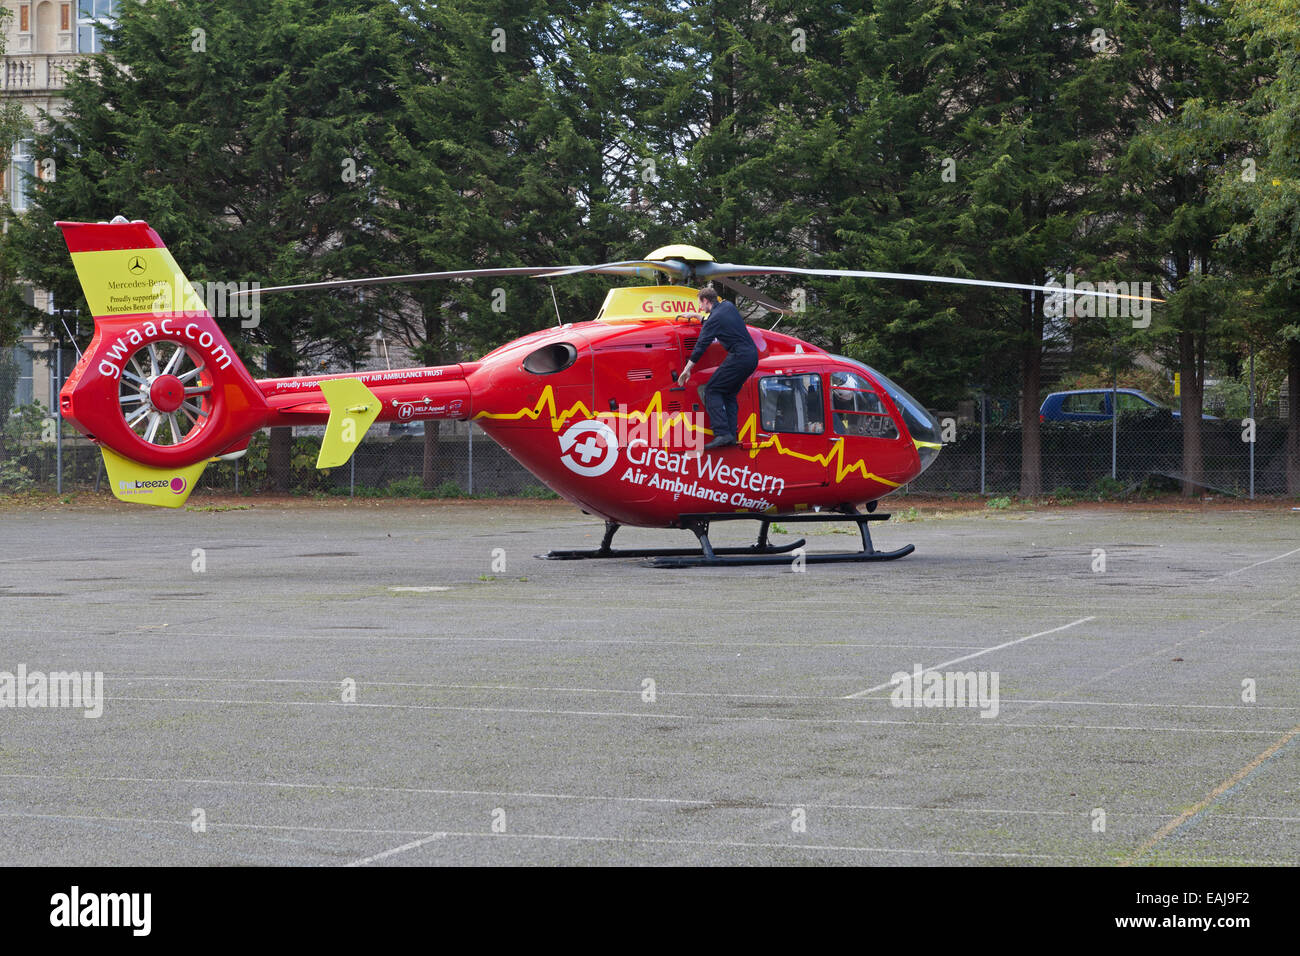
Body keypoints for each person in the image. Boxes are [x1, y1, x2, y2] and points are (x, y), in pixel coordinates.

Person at [676, 286, 759, 450]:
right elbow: (714, 320)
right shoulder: (727, 306)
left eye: (700, 304)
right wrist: (696, 316)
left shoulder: (714, 319)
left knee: (712, 390)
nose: (700, 308)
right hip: (751, 357)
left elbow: (701, 344)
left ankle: (722, 433)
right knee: (728, 393)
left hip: (739, 357)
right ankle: (731, 435)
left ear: (706, 301)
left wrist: (687, 369)